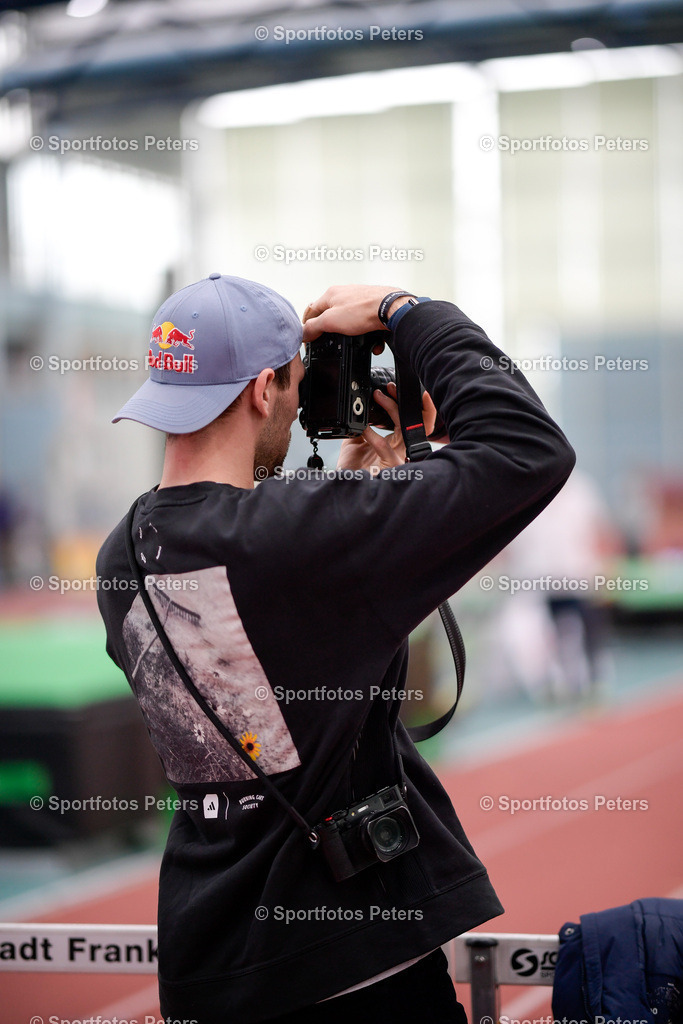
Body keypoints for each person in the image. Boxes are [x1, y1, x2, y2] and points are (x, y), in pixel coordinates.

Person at [96, 274, 575, 1023]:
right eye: (294, 385)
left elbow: (272, 642)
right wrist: (407, 312)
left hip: (211, 963)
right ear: (263, 389)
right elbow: (525, 447)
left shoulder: (120, 554)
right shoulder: (302, 534)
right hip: (352, 969)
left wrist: (359, 501)